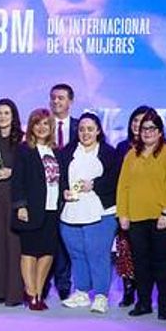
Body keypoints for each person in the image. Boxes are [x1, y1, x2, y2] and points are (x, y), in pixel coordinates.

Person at [117, 107, 166, 319]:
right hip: (136, 219)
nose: (147, 132)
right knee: (141, 263)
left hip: (162, 219)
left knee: (163, 265)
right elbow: (123, 187)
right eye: (144, 128)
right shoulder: (131, 155)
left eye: (151, 128)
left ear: (159, 131)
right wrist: (123, 214)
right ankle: (143, 303)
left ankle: (164, 306)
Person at [57, 113, 121, 314]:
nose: (85, 133)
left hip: (101, 212)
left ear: (98, 131)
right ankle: (82, 292)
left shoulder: (110, 153)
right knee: (76, 254)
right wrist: (64, 190)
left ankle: (101, 295)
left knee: (98, 254)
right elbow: (58, 178)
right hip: (72, 211)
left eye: (90, 129)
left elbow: (116, 181)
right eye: (82, 129)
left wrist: (93, 185)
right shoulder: (67, 152)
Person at [12, 108, 63, 310]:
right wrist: (20, 206)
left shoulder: (58, 152)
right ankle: (30, 292)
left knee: (48, 252)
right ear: (31, 127)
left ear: (51, 127)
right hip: (31, 209)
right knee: (30, 251)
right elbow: (18, 181)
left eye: (45, 124)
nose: (41, 127)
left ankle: (39, 292)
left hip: (53, 209)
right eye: (37, 123)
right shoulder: (24, 150)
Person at [113, 105, 151, 307]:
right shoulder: (122, 148)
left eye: (143, 121)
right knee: (126, 252)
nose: (137, 125)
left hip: (149, 209)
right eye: (135, 120)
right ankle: (129, 291)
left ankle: (145, 295)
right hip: (126, 208)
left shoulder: (162, 148)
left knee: (146, 254)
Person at [46, 84, 80, 300]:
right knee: (48, 237)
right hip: (47, 191)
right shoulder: (42, 125)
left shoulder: (81, 127)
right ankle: (44, 281)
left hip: (74, 192)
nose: (56, 102)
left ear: (70, 101)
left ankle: (64, 282)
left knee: (67, 240)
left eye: (61, 98)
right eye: (53, 98)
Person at [0, 99, 24, 306]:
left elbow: (29, 168)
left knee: (14, 243)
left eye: (6, 113)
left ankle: (14, 293)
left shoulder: (21, 140)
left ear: (13, 116)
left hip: (13, 195)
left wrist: (12, 172)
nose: (2, 117)